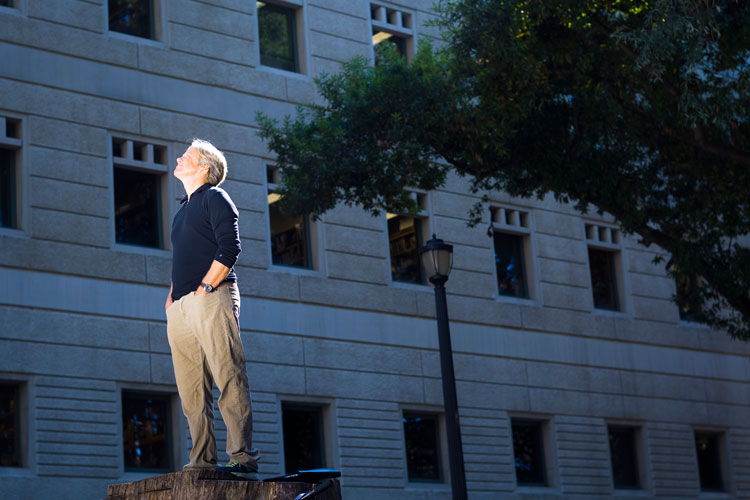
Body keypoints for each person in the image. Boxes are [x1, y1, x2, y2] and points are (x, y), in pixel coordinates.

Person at [165, 139, 260, 478]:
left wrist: (207, 286)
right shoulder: (182, 210)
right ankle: (202, 462)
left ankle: (242, 458)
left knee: (228, 375)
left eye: (186, 155)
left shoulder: (215, 198)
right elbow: (185, 256)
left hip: (212, 296)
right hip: (181, 307)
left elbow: (230, 246)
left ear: (204, 167)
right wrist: (173, 296)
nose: (178, 157)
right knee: (191, 390)